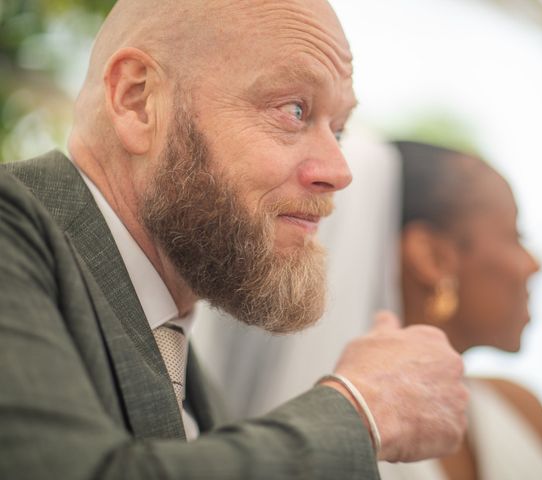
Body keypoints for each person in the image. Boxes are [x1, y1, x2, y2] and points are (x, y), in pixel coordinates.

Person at [0, 1, 469, 479]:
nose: (338, 173)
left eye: (339, 130)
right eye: (294, 110)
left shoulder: (193, 377)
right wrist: (363, 412)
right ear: (137, 100)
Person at [378, 141, 542, 480]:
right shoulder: (347, 446)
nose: (534, 264)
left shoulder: (523, 410)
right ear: (432, 257)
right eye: (515, 235)